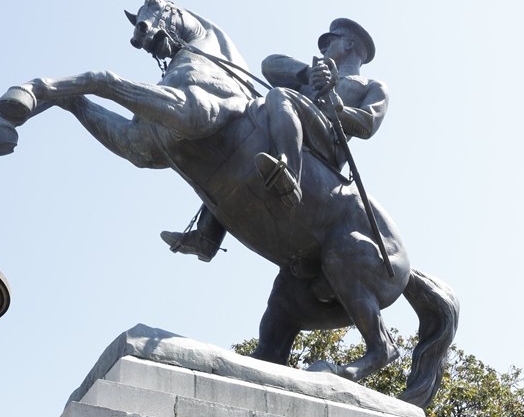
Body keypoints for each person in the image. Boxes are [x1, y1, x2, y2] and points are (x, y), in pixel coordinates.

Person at [162, 17, 387, 254]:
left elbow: (367, 123)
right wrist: (307, 74)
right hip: (291, 131)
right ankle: (207, 236)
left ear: (349, 44)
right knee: (243, 131)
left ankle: (289, 171)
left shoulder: (370, 85)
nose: (323, 49)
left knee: (280, 96)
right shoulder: (315, 74)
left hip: (328, 144)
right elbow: (268, 65)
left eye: (330, 42)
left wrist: (336, 106)